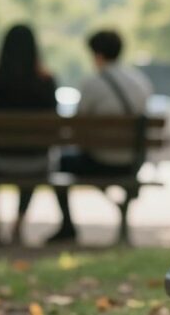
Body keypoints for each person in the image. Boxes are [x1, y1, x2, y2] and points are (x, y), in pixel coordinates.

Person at [46, 30, 153, 244]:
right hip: (132, 163)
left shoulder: (91, 83)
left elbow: (77, 127)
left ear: (97, 54)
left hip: (99, 161)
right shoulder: (139, 81)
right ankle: (121, 219)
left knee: (59, 163)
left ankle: (67, 225)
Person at [0, 24, 58, 246]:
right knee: (32, 154)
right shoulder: (46, 82)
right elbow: (53, 129)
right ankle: (18, 225)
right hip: (35, 163)